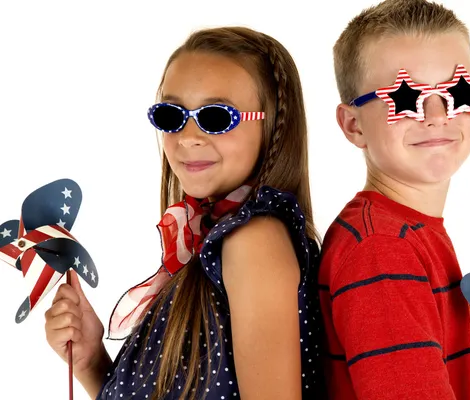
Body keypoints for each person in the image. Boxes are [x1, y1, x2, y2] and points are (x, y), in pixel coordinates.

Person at [44, 26, 326, 400]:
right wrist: (91, 363)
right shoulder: (211, 242)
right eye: (170, 114)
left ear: (274, 125)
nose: (188, 136)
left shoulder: (254, 242)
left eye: (215, 116)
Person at [318, 1, 470, 399]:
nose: (437, 114)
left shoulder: (404, 231)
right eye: (405, 98)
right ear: (354, 125)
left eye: (457, 92)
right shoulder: (382, 251)